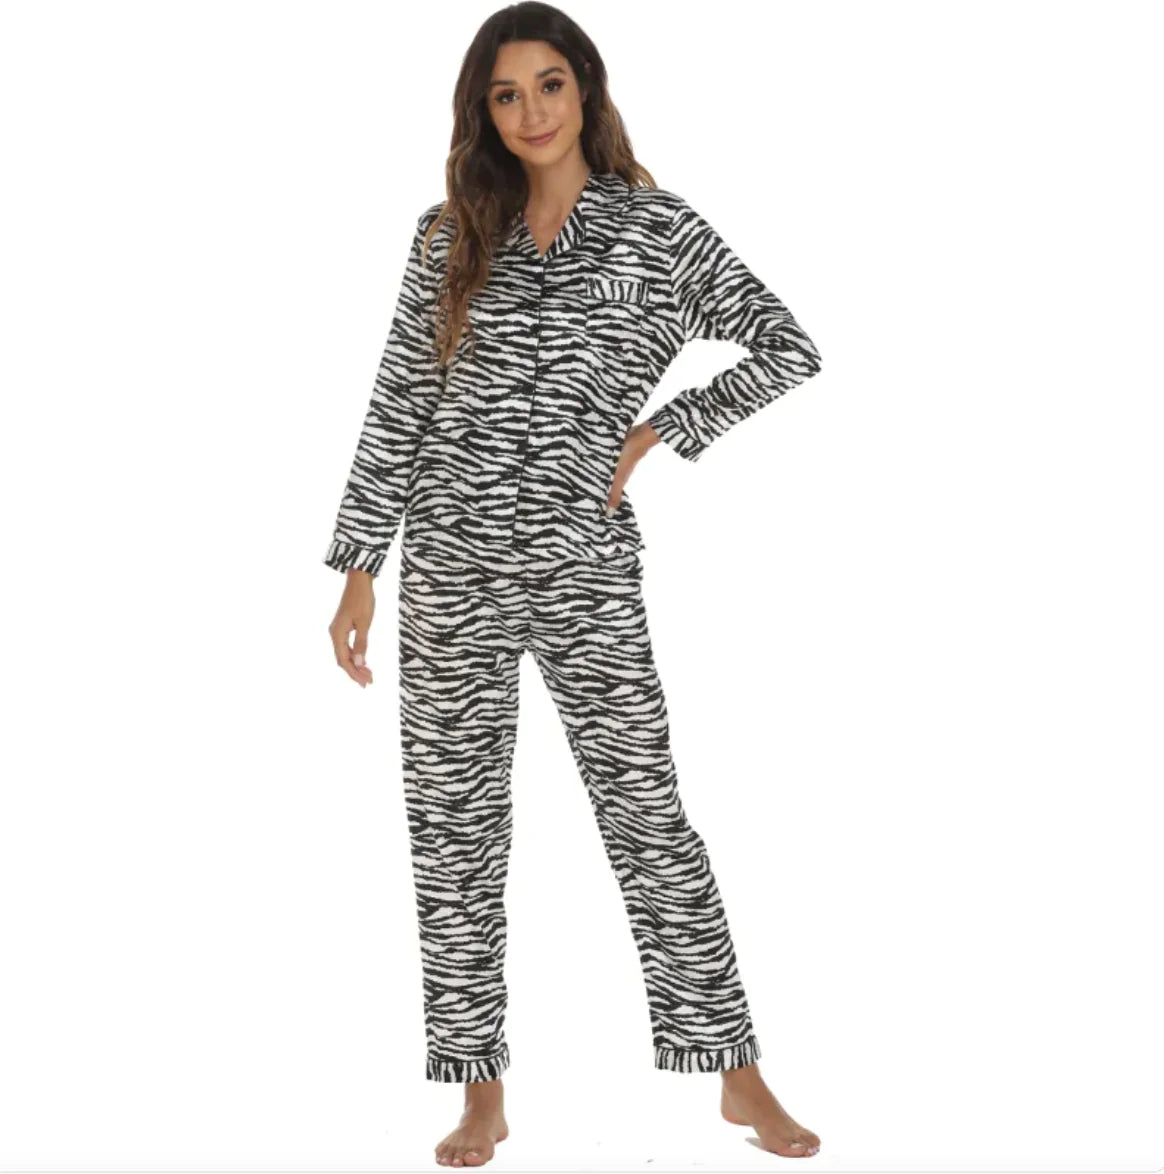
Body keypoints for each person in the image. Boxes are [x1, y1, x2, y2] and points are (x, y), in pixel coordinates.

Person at [323, 3, 823, 1166]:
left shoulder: (656, 231)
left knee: (647, 815)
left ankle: (737, 1071)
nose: (531, 111)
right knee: (453, 831)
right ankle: (480, 1092)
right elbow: (400, 400)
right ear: (483, 112)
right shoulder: (450, 235)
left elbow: (786, 347)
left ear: (585, 89)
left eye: (549, 84)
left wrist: (663, 430)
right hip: (448, 562)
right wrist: (359, 565)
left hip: (583, 565)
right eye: (506, 94)